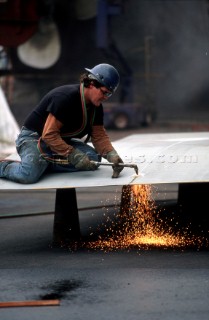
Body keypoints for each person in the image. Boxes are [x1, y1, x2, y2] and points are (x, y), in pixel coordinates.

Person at [0, 63, 124, 184]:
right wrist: (73, 155)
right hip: (33, 138)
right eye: (104, 92)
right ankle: (5, 166)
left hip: (58, 141)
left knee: (93, 158)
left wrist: (113, 156)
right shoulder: (65, 98)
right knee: (28, 175)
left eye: (109, 94)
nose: (106, 97)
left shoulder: (96, 107)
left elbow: (99, 137)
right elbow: (49, 135)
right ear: (92, 84)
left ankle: (43, 163)